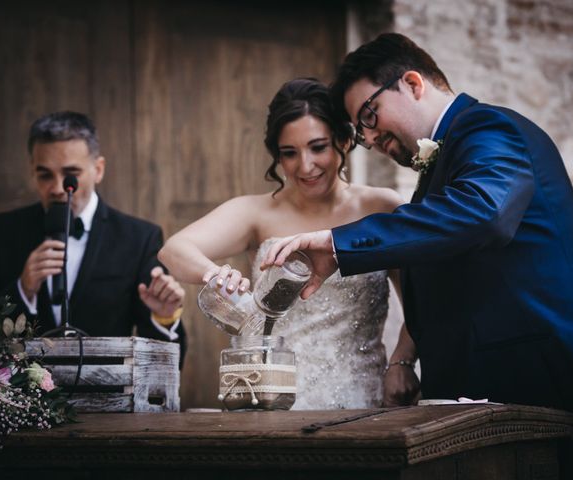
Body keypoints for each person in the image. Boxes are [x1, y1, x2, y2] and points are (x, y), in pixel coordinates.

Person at [261, 34, 573, 476]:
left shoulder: (489, 128)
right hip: (487, 392)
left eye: (369, 115)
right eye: (361, 130)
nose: (370, 136)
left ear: (411, 83)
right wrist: (405, 360)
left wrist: (338, 243)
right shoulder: (439, 167)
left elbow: (484, 214)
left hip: (551, 382)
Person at [159, 78, 419, 409]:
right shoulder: (256, 211)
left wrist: (402, 361)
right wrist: (216, 276)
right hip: (272, 395)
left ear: (343, 138)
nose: (305, 166)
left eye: (318, 147)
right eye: (289, 153)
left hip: (362, 394)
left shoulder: (381, 208)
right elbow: (173, 250)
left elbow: (419, 302)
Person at [0, 111, 187, 362]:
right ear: (32, 171)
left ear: (98, 170)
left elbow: (166, 363)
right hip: (19, 397)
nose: (56, 188)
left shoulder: (139, 238)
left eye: (70, 175)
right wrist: (23, 289)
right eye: (45, 175)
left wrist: (163, 318)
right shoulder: (0, 232)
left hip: (108, 397)